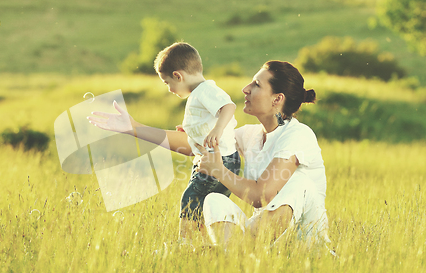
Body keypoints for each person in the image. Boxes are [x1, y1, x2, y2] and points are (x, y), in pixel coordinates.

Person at [88, 60, 330, 249]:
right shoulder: (251, 136)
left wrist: (219, 170)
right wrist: (135, 129)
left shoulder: (298, 136)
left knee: (299, 185)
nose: (245, 89)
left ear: (278, 99)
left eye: (256, 85)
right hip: (264, 245)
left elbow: (262, 196)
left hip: (302, 250)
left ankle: (233, 251)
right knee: (214, 200)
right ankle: (232, 253)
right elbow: (199, 146)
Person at [94, 42, 241, 245]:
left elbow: (228, 107)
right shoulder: (199, 94)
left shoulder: (206, 90)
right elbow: (205, 126)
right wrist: (191, 133)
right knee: (206, 207)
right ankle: (206, 247)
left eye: (167, 82)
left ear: (178, 76)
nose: (169, 89)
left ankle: (187, 245)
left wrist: (217, 130)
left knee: (191, 200)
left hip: (218, 161)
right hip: (219, 160)